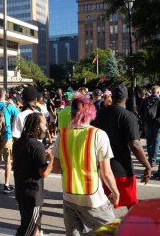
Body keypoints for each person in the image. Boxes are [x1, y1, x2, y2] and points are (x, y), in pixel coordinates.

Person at [51, 95, 119, 236]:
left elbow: (56, 169)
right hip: (93, 199)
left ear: (72, 114)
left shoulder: (62, 135)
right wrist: (115, 192)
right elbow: (106, 173)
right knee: (113, 232)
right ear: (90, 114)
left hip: (69, 196)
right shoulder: (98, 135)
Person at [94, 85, 151, 209]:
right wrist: (147, 166)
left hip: (103, 168)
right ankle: (128, 229)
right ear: (127, 98)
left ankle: (109, 227)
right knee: (131, 205)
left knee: (105, 206)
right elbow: (135, 144)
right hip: (122, 169)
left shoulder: (100, 114)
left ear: (112, 97)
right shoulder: (129, 116)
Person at [13, 113, 53, 236]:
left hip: (21, 190)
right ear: (37, 126)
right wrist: (51, 159)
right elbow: (44, 172)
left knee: (33, 228)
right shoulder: (37, 145)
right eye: (43, 124)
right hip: (33, 195)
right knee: (28, 230)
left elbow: (16, 163)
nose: (45, 127)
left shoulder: (18, 142)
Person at [0, 88, 20, 194]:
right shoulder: (8, 106)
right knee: (7, 162)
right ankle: (6, 185)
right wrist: (14, 104)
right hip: (6, 135)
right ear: (5, 94)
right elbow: (19, 115)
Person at [139, 85, 160, 167]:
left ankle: (150, 159)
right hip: (158, 124)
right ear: (158, 92)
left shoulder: (145, 100)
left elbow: (140, 112)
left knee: (149, 141)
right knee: (156, 142)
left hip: (147, 124)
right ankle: (153, 160)